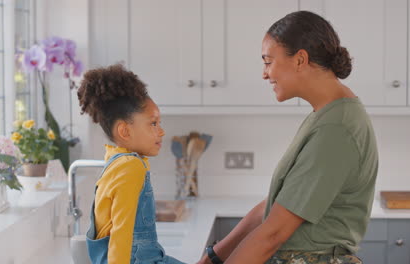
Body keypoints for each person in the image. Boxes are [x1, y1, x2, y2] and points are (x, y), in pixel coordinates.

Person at [197, 10, 378, 264]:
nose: (264, 73)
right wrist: (214, 256)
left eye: (268, 61)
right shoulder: (326, 115)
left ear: (300, 60)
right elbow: (275, 206)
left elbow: (274, 233)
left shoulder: (336, 128)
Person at [77, 64, 186, 264]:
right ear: (125, 131)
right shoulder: (130, 167)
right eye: (153, 123)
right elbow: (121, 233)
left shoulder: (114, 161)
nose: (161, 131)